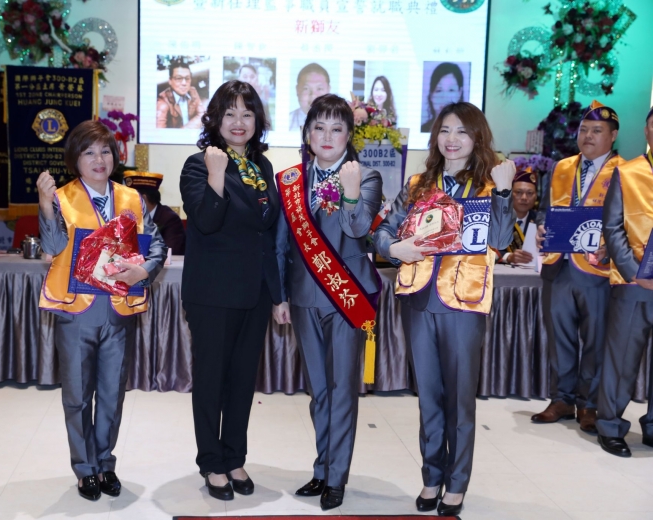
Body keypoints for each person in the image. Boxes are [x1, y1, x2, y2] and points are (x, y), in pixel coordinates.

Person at [374, 102, 515, 516]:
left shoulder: (489, 186)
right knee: (429, 397)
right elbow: (383, 232)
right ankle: (432, 476)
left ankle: (457, 484)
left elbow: (501, 240)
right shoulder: (418, 184)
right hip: (419, 300)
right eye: (445, 131)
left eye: (462, 132)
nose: (452, 139)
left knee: (460, 400)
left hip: (464, 304)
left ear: (477, 137)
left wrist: (504, 191)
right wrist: (394, 247)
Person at [37, 120, 167, 501]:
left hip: (118, 311)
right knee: (77, 394)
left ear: (115, 156)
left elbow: (156, 245)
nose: (99, 159)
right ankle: (84, 468)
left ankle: (105, 463)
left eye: (105, 151)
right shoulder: (62, 198)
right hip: (76, 311)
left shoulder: (132, 198)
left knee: (112, 393)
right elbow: (52, 246)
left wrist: (144, 270)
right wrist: (44, 203)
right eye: (89, 152)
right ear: (75, 160)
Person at [273, 94, 382, 510]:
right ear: (307, 134)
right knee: (318, 390)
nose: (327, 136)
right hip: (303, 298)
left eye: (337, 128)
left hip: (346, 298)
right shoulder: (291, 181)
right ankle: (322, 469)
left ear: (349, 135)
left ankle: (337, 477)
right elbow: (281, 244)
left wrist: (350, 193)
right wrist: (279, 296)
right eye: (319, 127)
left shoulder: (366, 176)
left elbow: (359, 230)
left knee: (342, 391)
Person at [179, 80, 282, 501]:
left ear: (257, 121)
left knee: (242, 381)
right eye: (230, 113)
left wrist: (278, 295)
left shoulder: (263, 167)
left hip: (255, 293)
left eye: (247, 113)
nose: (239, 122)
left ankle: (235, 457)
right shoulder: (197, 165)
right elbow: (205, 221)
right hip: (212, 293)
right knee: (211, 380)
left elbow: (268, 236)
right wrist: (217, 175)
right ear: (215, 120)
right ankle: (211, 462)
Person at [532, 100, 625, 435]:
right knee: (559, 338)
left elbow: (633, 222)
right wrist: (541, 226)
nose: (588, 136)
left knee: (596, 340)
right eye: (584, 129)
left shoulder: (626, 172)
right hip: (558, 265)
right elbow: (544, 209)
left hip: (599, 270)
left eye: (597, 131)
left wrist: (611, 245)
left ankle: (589, 404)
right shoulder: (562, 167)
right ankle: (561, 399)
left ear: (612, 135)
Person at [595, 107, 653, 457]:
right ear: (647, 131)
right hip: (633, 285)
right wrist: (636, 274)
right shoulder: (628, 173)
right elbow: (613, 228)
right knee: (622, 359)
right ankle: (610, 426)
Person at [123, 170, 186, 255]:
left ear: (142, 199)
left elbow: (170, 250)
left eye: (130, 198)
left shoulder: (169, 219)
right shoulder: (128, 217)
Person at [498, 167, 538, 264]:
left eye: (530, 193)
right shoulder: (496, 219)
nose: (524, 198)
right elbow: (485, 249)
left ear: (536, 196)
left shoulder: (541, 221)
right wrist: (508, 257)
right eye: (519, 192)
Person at [156, 60, 204, 129]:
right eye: (178, 78)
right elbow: (159, 133)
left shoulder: (192, 91)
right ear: (170, 80)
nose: (184, 83)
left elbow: (202, 115)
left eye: (187, 78)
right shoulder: (163, 103)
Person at [421, 63, 464, 133]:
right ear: (431, 95)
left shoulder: (468, 132)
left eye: (451, 90)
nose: (444, 97)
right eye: (439, 90)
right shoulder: (423, 129)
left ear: (460, 93)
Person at [289, 63, 331, 131]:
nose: (313, 95)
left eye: (319, 89)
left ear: (328, 90)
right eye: (306, 88)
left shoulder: (340, 121)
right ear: (297, 90)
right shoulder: (286, 121)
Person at [238, 63, 272, 127]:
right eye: (245, 77)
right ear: (239, 79)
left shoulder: (263, 104)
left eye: (252, 77)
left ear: (257, 79)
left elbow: (268, 128)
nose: (248, 80)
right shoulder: (230, 102)